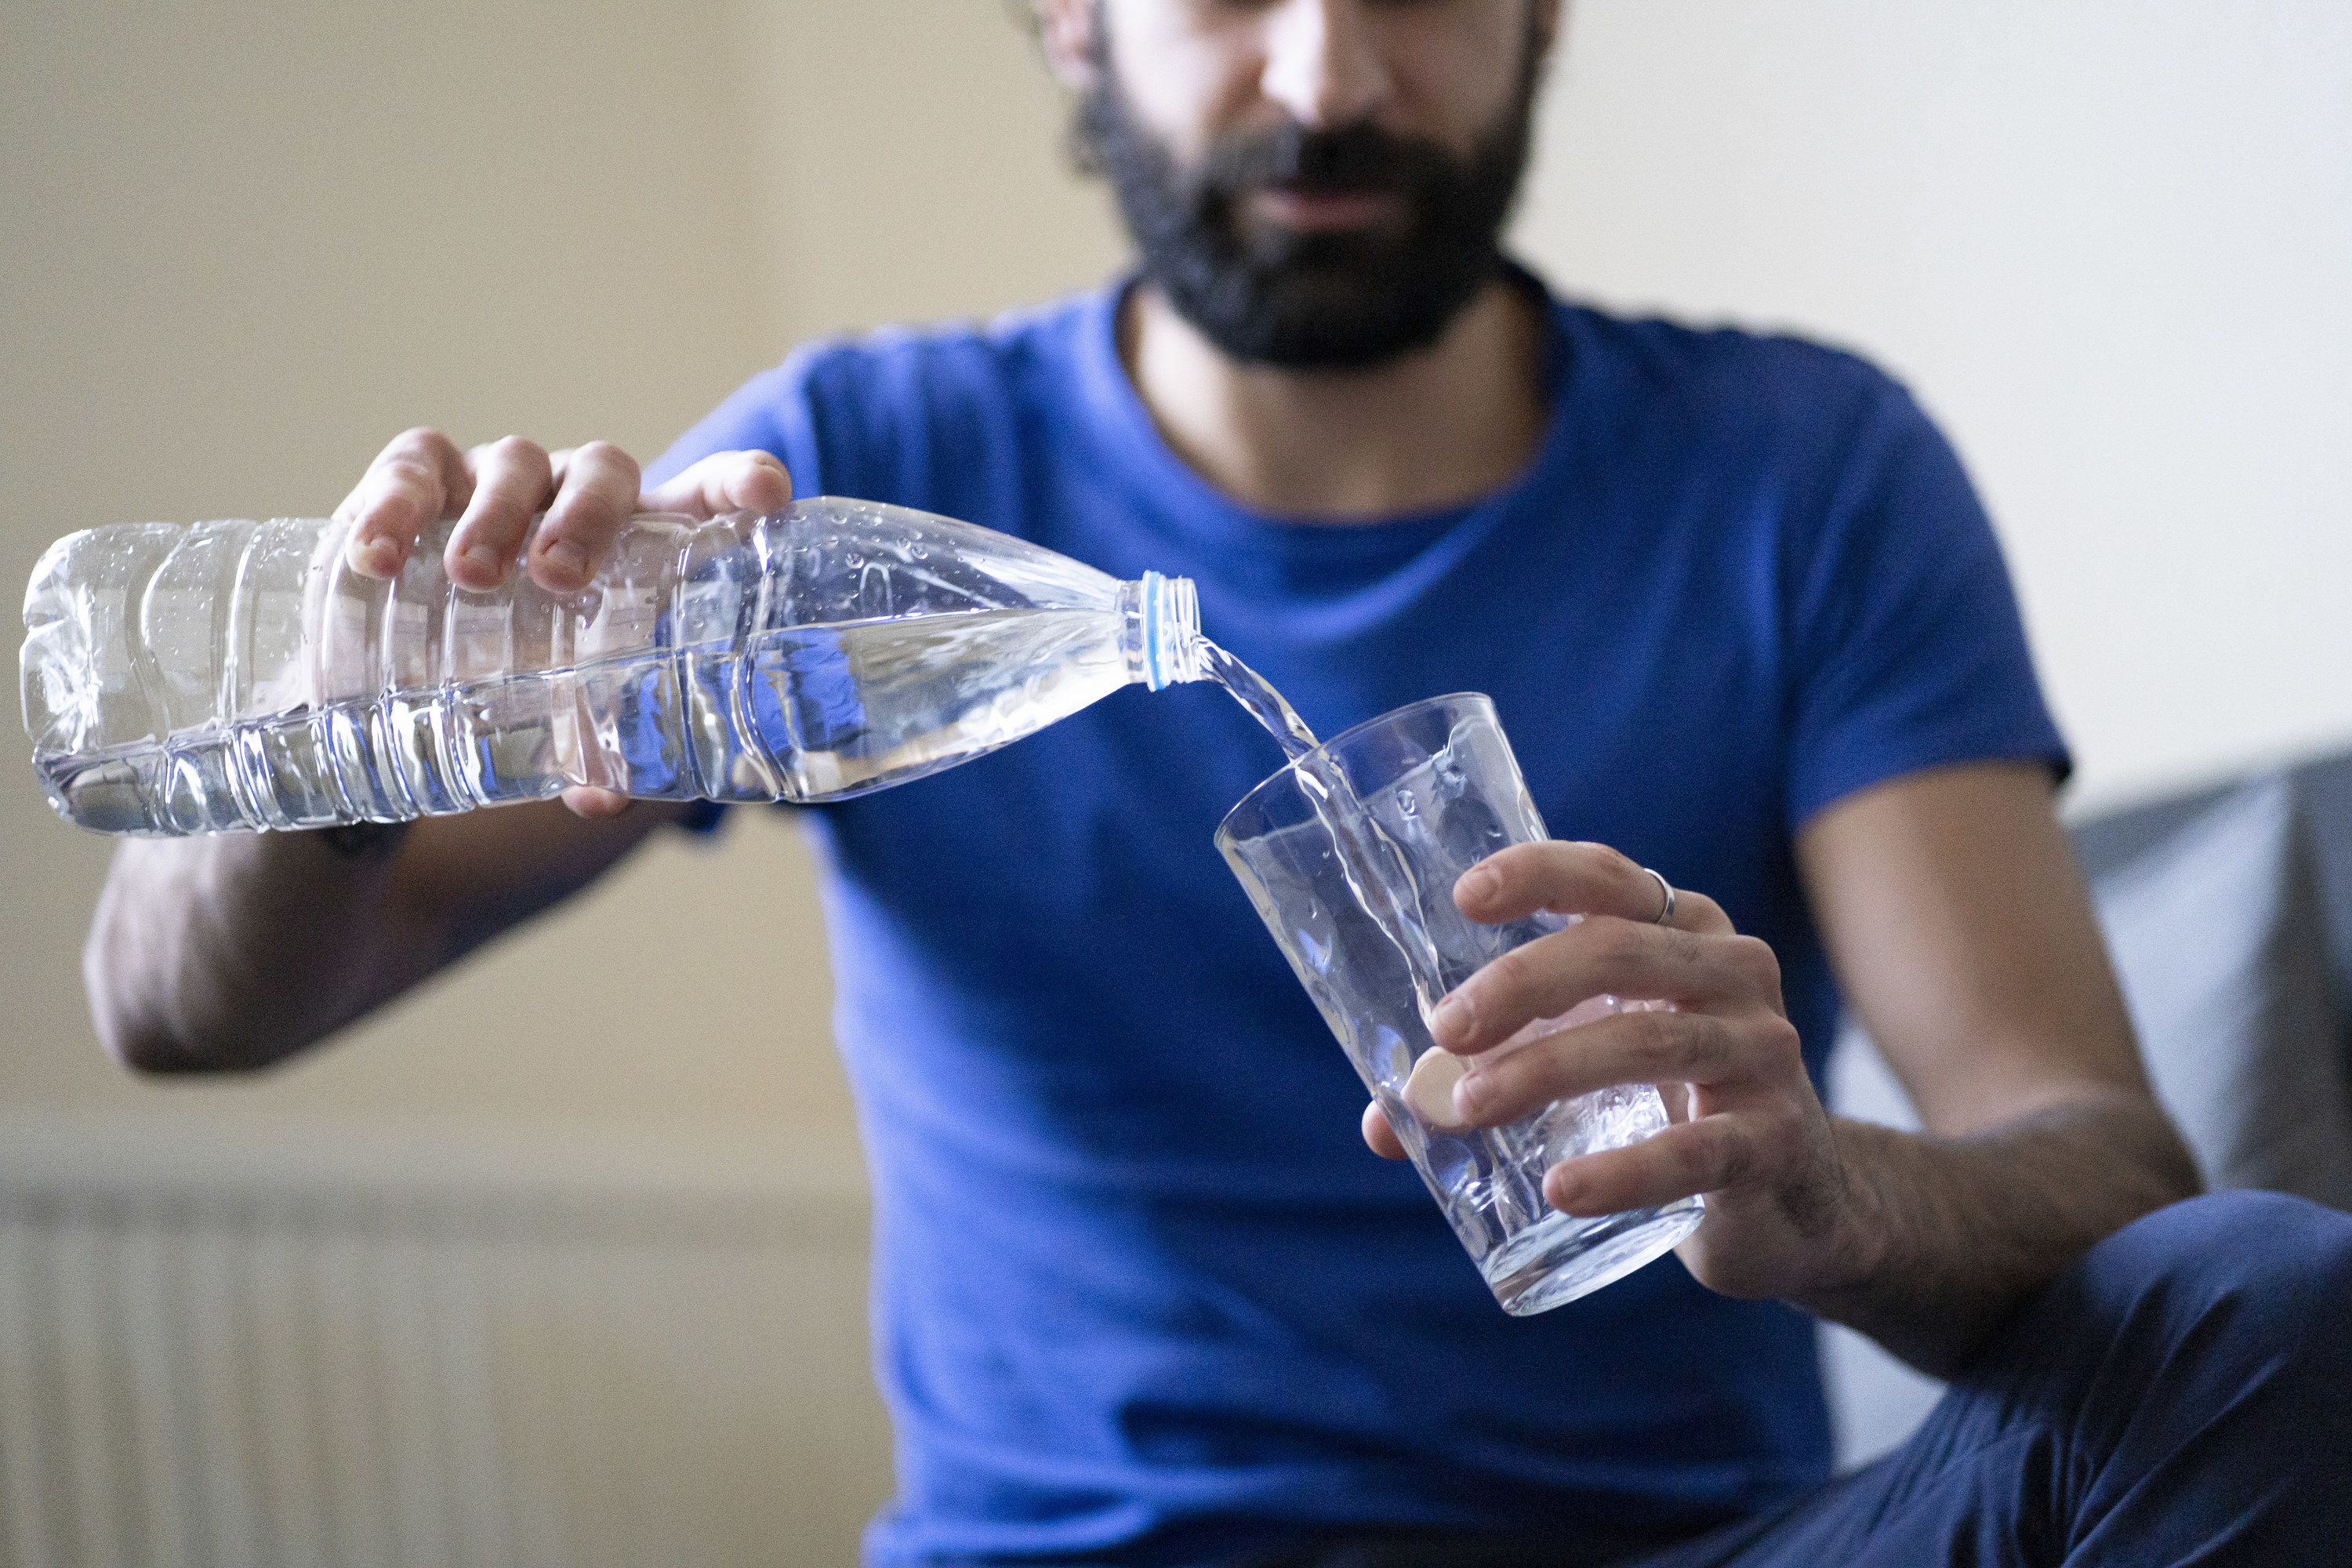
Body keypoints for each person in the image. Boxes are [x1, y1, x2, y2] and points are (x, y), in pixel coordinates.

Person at [82, 2, 2352, 1563]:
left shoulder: (1805, 474)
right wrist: (345, 740)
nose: (1328, 74)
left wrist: (1833, 1187)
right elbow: (181, 1009)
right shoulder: (860, 467)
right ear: (1069, 17)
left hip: (1703, 1541)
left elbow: (2105, 1170)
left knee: (2262, 1302)